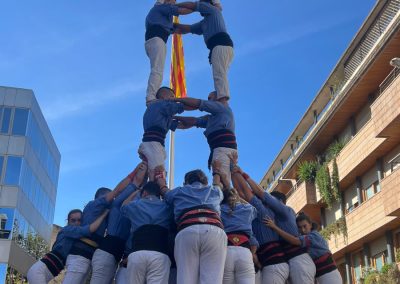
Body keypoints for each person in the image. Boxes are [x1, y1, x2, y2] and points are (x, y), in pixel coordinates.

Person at [63, 163, 145, 284]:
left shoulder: (120, 212)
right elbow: (130, 186)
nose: (111, 198)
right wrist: (137, 174)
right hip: (101, 254)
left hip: (103, 254)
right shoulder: (111, 206)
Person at [159, 161, 229, 284]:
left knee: (186, 279)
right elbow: (218, 184)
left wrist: (161, 179)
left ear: (186, 182)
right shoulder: (214, 190)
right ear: (205, 182)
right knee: (212, 280)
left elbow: (165, 192)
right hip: (214, 230)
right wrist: (216, 170)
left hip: (187, 229)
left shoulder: (179, 191)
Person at [241, 176, 316, 284]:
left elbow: (296, 241)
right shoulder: (279, 217)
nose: (269, 206)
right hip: (291, 261)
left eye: (272, 202)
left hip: (299, 261)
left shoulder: (287, 211)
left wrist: (243, 175)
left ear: (280, 202)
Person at [90, 162, 148, 284]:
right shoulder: (117, 205)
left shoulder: (136, 212)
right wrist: (142, 168)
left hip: (114, 255)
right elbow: (135, 182)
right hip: (106, 253)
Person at [231, 165, 289, 284]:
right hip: (270, 264)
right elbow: (240, 192)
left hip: (274, 265)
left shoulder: (263, 211)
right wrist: (233, 172)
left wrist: (235, 170)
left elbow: (245, 192)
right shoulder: (256, 212)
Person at [27, 209, 109, 284]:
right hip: (39, 271)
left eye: (79, 220)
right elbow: (90, 229)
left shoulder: (75, 236)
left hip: (45, 272)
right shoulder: (68, 230)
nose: (76, 223)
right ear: (68, 222)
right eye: (73, 220)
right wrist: (103, 214)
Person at [174, 0, 234, 100]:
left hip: (220, 45)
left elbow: (192, 6)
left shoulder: (212, 10)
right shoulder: (205, 22)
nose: (200, 3)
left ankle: (223, 100)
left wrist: (173, 7)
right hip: (222, 46)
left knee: (219, 74)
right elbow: (187, 29)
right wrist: (171, 26)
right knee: (220, 74)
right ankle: (219, 97)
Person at [173, 92, 237, 180]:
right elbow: (194, 121)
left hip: (223, 148)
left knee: (221, 180)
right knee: (222, 179)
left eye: (210, 98)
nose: (208, 100)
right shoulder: (212, 118)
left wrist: (175, 99)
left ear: (218, 98)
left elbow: (198, 104)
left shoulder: (222, 108)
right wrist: (172, 120)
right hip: (219, 149)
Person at [265, 213, 343, 284]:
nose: (302, 230)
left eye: (304, 226)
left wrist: (275, 227)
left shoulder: (314, 236)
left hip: (330, 275)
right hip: (320, 276)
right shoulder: (306, 236)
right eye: (299, 227)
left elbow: (295, 240)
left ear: (310, 225)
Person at [121, 181, 174, 284]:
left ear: (144, 193)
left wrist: (136, 192)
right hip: (160, 253)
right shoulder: (167, 207)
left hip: (137, 252)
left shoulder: (135, 205)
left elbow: (123, 206)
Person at [145, 0, 193, 104]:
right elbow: (182, 10)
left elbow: (179, 29)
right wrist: (199, 6)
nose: (174, 2)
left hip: (156, 40)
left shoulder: (164, 17)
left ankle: (152, 96)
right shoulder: (161, 7)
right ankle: (151, 98)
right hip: (156, 39)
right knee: (157, 70)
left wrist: (197, 28)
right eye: (172, 0)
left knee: (157, 70)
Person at [139, 87, 186, 180]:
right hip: (154, 144)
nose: (174, 100)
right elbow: (183, 106)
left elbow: (179, 125)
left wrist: (198, 123)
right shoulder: (161, 104)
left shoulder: (158, 112)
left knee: (147, 175)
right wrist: (202, 105)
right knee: (158, 173)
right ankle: (154, 193)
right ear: (164, 96)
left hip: (151, 144)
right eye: (172, 97)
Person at [220, 188, 258, 284]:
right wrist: (239, 198)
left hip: (226, 250)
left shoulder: (219, 209)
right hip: (245, 251)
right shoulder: (247, 209)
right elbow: (255, 210)